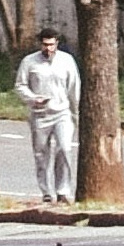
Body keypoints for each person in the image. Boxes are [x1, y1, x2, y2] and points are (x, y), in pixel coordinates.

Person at [15, 21, 82, 210]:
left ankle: (63, 191)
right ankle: (46, 191)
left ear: (57, 44)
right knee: (41, 154)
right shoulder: (29, 62)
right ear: (40, 44)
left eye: (51, 44)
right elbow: (20, 85)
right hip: (40, 114)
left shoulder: (67, 60)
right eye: (45, 44)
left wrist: (75, 113)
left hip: (62, 112)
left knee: (64, 148)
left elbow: (74, 87)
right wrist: (33, 98)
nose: (48, 48)